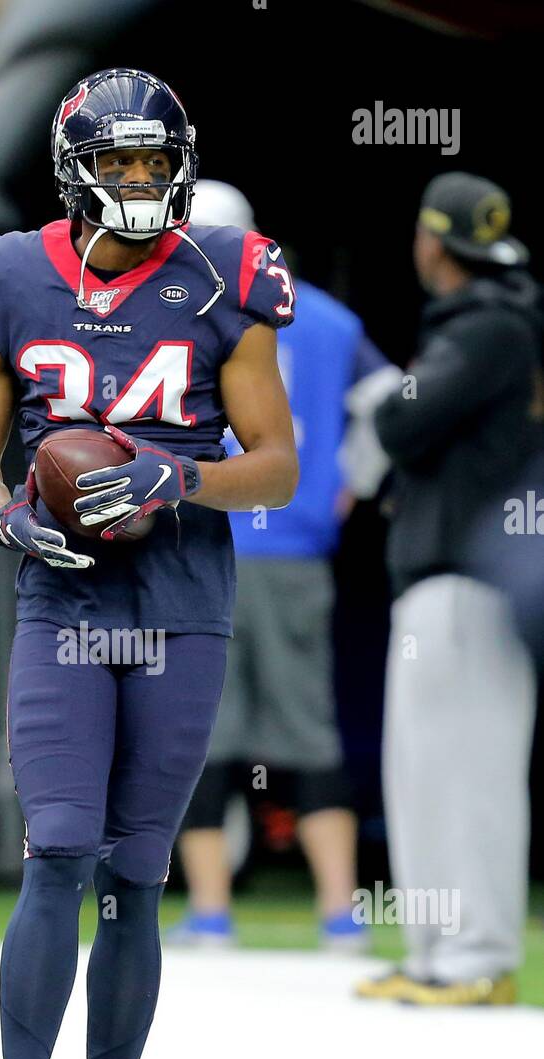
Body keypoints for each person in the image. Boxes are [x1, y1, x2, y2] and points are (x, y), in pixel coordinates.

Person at [0, 69, 298, 1059]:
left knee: (134, 874)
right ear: (74, 168)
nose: (139, 182)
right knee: (56, 847)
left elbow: (277, 467)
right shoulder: (4, 274)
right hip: (63, 597)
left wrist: (172, 477)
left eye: (155, 163)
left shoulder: (226, 276)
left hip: (179, 602)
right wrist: (4, 515)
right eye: (118, 163)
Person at [170, 180, 387, 952]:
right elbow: (391, 397)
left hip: (208, 543)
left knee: (203, 728)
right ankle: (338, 912)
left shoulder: (177, 314)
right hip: (290, 546)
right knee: (307, 728)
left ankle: (211, 911)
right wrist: (349, 485)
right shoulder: (324, 317)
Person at [356, 172, 540, 1006]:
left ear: (433, 243)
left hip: (472, 578)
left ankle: (477, 955)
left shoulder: (491, 325)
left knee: (470, 771)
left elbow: (401, 420)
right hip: (441, 576)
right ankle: (440, 954)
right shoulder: (484, 322)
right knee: (423, 770)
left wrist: (392, 398)